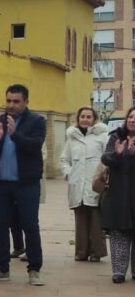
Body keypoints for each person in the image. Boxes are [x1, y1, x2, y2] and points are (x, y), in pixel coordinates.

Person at [0, 84, 47, 286]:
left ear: (26, 102)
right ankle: (2, 268)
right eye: (8, 100)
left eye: (16, 101)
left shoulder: (37, 121)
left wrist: (15, 134)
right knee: (0, 226)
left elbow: (35, 146)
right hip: (0, 184)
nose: (11, 105)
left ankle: (34, 269)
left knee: (30, 225)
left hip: (26, 184)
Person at [61, 106, 108, 262]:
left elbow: (107, 159)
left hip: (95, 184)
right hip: (77, 185)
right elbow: (64, 159)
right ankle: (81, 252)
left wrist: (103, 176)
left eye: (89, 117)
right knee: (80, 221)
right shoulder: (72, 138)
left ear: (94, 119)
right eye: (82, 116)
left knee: (96, 220)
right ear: (78, 118)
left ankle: (96, 253)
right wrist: (69, 173)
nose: (85, 119)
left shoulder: (102, 136)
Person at [100, 107, 135, 283]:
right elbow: (105, 158)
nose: (132, 120)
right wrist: (118, 154)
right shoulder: (116, 136)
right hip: (119, 193)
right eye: (130, 116)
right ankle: (119, 271)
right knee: (119, 232)